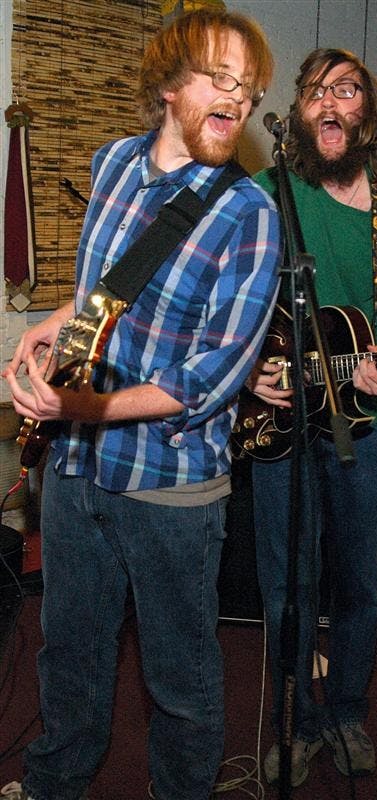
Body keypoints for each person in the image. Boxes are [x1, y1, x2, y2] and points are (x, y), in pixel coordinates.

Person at [1, 8, 280, 800]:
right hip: (77, 469)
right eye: (221, 79)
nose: (240, 100)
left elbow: (207, 382)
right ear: (167, 83)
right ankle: (55, 783)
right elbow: (102, 290)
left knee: (180, 681)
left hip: (172, 486)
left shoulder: (247, 214)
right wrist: (52, 327)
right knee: (69, 652)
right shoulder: (115, 162)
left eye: (250, 90)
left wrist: (76, 410)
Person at [246, 48, 377, 787]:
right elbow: (229, 311)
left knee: (358, 581)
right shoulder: (265, 196)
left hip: (368, 428)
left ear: (369, 113)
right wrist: (250, 376)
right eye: (315, 92)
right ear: (296, 112)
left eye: (346, 91)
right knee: (285, 585)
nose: (329, 104)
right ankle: (292, 723)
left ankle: (347, 713)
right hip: (282, 426)